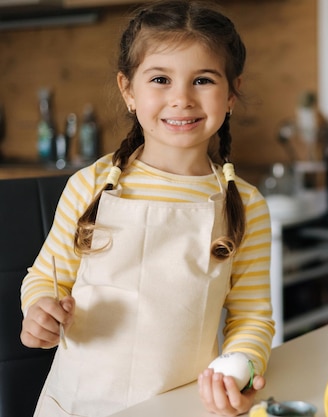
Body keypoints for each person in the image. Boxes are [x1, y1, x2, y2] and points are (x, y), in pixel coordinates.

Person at [19, 1, 275, 416]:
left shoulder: (246, 205)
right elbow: (46, 279)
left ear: (231, 94)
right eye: (160, 78)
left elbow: (251, 318)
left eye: (203, 80)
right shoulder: (87, 187)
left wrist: (239, 368)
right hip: (78, 404)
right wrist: (40, 311)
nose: (181, 99)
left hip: (182, 406)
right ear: (128, 91)